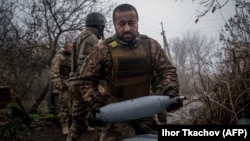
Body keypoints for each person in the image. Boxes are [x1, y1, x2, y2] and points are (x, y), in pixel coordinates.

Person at [79, 3, 183, 141]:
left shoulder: (150, 45)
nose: (127, 28)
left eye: (131, 23)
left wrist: (171, 92)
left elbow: (167, 70)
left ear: (137, 23)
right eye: (121, 24)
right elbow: (87, 80)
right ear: (115, 24)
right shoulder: (103, 48)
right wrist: (95, 103)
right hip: (114, 109)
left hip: (145, 108)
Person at [66, 12, 106, 141]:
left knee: (78, 121)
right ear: (99, 25)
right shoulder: (91, 38)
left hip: (74, 83)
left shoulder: (81, 36)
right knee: (103, 114)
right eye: (103, 26)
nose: (103, 29)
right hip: (82, 83)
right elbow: (85, 62)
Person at [51, 42, 73, 135]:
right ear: (66, 48)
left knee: (79, 105)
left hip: (74, 84)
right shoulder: (59, 57)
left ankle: (82, 124)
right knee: (64, 106)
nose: (72, 49)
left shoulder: (74, 57)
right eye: (70, 47)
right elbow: (54, 71)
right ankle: (64, 125)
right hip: (64, 85)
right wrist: (58, 83)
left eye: (73, 47)